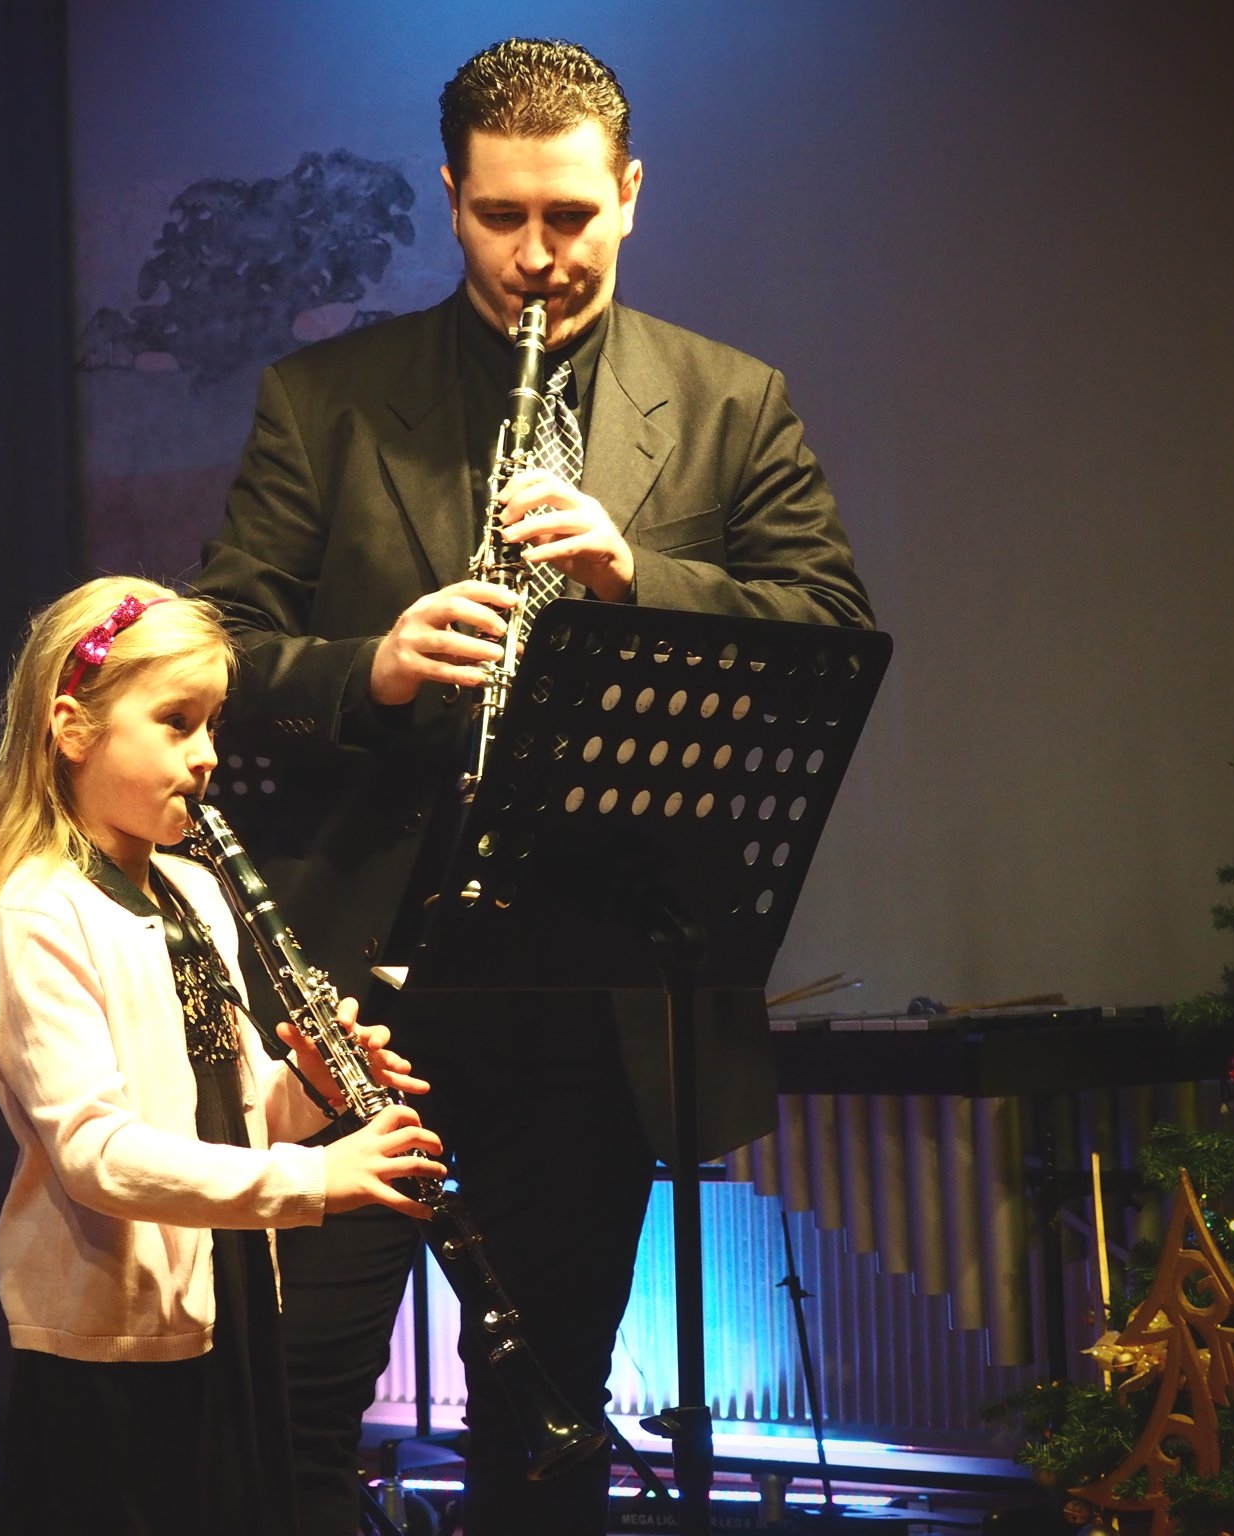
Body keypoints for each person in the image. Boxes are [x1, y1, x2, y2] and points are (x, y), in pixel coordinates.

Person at [190, 38, 871, 1536]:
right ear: (451, 199)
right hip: (358, 994)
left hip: (585, 988)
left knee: (548, 1419)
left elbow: (828, 633)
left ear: (631, 195)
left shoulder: (729, 402)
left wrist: (639, 576)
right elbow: (214, 649)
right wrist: (369, 669)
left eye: (570, 215)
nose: (538, 257)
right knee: (294, 1399)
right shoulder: (325, 400)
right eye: (502, 217)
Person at [0, 577, 445, 1536]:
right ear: (73, 729)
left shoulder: (196, 891)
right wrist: (316, 1178)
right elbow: (98, 1155)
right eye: (175, 723)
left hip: (224, 1290)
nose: (205, 755)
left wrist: (312, 1092)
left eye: (211, 725)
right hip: (113, 1339)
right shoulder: (41, 915)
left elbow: (229, 1106)